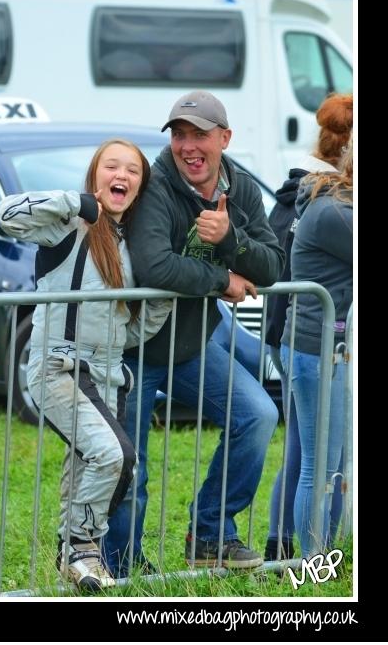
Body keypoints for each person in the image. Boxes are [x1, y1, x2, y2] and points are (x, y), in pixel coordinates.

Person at [104, 90, 285, 576]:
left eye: (200, 135)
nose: (189, 146)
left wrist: (229, 239)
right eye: (180, 134)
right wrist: (222, 278)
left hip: (189, 346)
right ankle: (119, 568)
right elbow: (153, 265)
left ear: (224, 138)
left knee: (259, 415)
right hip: (131, 350)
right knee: (129, 463)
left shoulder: (241, 188)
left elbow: (272, 264)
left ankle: (210, 534)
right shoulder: (155, 183)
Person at [0, 139, 171, 590]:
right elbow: (6, 214)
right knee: (116, 455)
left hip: (108, 377)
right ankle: (80, 546)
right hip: (58, 370)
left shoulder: (130, 244)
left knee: (90, 466)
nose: (123, 175)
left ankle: (74, 562)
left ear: (139, 187)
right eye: (112, 166)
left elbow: (130, 329)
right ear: (96, 176)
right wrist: (75, 202)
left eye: (133, 170)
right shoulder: (67, 225)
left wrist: (162, 298)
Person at [264, 93, 353, 561]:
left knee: (322, 460)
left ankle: (305, 554)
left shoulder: (327, 199)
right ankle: (310, 559)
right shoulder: (334, 209)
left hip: (320, 345)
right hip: (315, 346)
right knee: (318, 462)